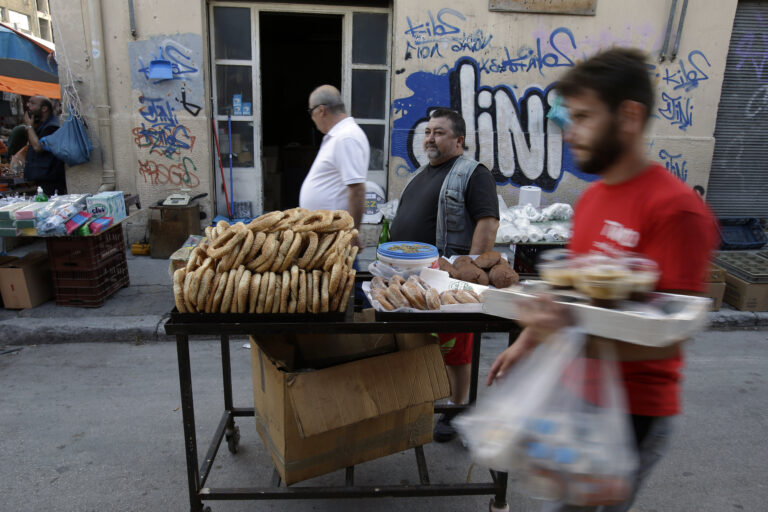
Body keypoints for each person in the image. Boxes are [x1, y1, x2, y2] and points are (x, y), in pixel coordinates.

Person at [487, 48, 718, 511]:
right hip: (576, 394)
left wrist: (558, 337)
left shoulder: (677, 211)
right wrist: (528, 339)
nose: (569, 131)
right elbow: (574, 291)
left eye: (583, 117)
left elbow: (666, 340)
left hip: (633, 412)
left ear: (629, 116)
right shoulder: (593, 199)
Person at [389, 107, 499, 442]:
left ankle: (456, 407)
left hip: (447, 279)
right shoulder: (422, 173)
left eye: (438, 132)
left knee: (455, 349)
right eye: (427, 132)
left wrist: (470, 275)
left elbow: (487, 222)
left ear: (459, 140)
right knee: (423, 345)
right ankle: (426, 400)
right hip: (413, 278)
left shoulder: (472, 173)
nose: (429, 138)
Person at [299, 85, 369, 245]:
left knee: (342, 270)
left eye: (311, 112)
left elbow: (357, 189)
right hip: (326, 235)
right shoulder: (338, 136)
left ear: (321, 110)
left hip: (334, 237)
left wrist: (352, 233)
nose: (311, 118)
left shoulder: (346, 137)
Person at [23, 95, 66, 195]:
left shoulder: (52, 126)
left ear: (44, 108)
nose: (28, 105)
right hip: (45, 177)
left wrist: (29, 126)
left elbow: (38, 147)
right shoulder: (43, 125)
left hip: (51, 179)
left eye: (32, 103)